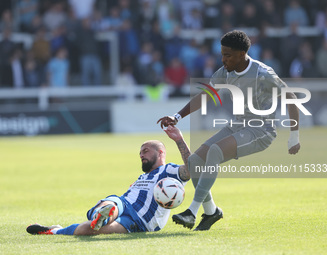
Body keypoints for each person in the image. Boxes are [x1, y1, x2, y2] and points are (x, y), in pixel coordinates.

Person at [157, 30, 301, 231]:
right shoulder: (225, 72)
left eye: (228, 55)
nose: (223, 59)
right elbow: (205, 96)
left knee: (215, 150)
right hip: (237, 125)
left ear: (242, 54)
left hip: (261, 131)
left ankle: (192, 211)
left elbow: (291, 97)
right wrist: (177, 116)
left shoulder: (263, 74)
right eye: (222, 54)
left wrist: (294, 136)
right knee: (194, 161)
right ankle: (211, 211)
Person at [26, 125, 190, 235]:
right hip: (123, 203)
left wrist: (179, 140)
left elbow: (192, 169)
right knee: (113, 204)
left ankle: (55, 230)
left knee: (90, 230)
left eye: (145, 151)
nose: (141, 155)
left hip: (142, 221)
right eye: (140, 152)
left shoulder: (168, 170)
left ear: (160, 152)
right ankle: (102, 214)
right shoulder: (142, 177)